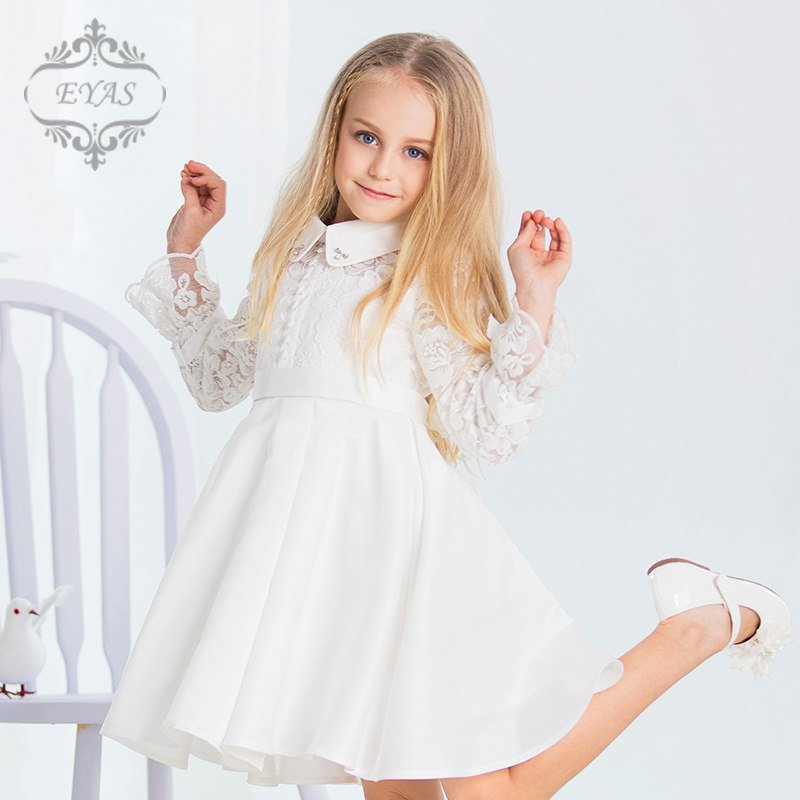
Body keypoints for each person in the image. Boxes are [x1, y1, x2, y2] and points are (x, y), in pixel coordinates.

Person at [100, 32, 792, 800]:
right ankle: (697, 623)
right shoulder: (294, 252)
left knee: (492, 791)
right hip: (316, 554)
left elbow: (487, 427)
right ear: (335, 132)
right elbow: (220, 380)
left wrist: (534, 304)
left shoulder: (428, 269)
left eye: (415, 152)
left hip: (399, 550)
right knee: (393, 784)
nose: (382, 168)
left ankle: (695, 628)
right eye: (367, 137)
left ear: (448, 164)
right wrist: (186, 249)